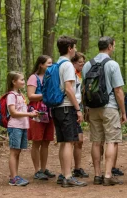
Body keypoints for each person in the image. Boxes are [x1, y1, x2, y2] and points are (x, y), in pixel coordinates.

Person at [82, 36, 127, 186]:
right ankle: (108, 175)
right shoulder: (112, 64)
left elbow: (84, 90)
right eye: (113, 45)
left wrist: (85, 109)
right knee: (111, 141)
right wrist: (123, 111)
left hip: (93, 108)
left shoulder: (87, 65)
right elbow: (118, 90)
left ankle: (97, 175)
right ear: (109, 46)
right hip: (110, 107)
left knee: (96, 142)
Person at [52, 36, 87, 187]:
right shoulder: (67, 65)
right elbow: (68, 89)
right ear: (69, 48)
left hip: (58, 108)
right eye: (75, 47)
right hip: (67, 107)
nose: (76, 50)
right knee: (69, 142)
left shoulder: (57, 63)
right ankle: (67, 176)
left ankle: (64, 174)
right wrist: (78, 109)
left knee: (63, 142)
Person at [7, 71, 38, 186]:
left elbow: (21, 110)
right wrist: (29, 115)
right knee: (14, 151)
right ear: (14, 82)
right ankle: (13, 178)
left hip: (23, 126)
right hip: (15, 126)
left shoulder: (20, 95)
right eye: (21, 80)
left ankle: (14, 175)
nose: (23, 82)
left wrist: (31, 112)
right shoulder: (11, 95)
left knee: (18, 151)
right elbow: (13, 112)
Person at [27, 55, 56, 180]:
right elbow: (30, 95)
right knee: (37, 140)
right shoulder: (33, 78)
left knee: (46, 141)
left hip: (49, 111)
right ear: (41, 64)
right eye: (48, 63)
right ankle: (37, 170)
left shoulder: (50, 77)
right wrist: (45, 95)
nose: (51, 65)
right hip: (37, 112)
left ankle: (44, 169)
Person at [70, 52, 89, 178]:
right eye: (79, 62)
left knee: (79, 140)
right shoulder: (70, 73)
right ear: (73, 62)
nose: (82, 64)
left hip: (78, 106)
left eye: (83, 62)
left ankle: (77, 168)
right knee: (71, 140)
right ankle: (66, 170)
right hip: (71, 107)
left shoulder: (79, 74)